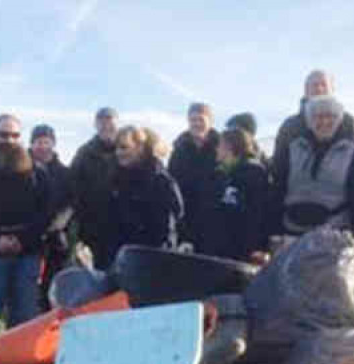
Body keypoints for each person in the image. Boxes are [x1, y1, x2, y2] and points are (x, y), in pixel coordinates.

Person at [0, 113, 51, 335]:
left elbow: (45, 214)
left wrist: (22, 240)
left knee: (25, 317)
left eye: (15, 135)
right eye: (4, 135)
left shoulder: (39, 174)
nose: (10, 140)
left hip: (28, 254)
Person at [272, 94, 354, 238]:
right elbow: (279, 184)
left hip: (334, 234)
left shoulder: (350, 148)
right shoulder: (295, 146)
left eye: (330, 116)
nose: (324, 122)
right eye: (318, 117)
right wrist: (274, 231)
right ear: (309, 121)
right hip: (291, 232)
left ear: (339, 120)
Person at [105, 125, 184, 266]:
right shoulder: (115, 179)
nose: (118, 152)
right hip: (120, 261)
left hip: (152, 264)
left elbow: (168, 228)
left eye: (124, 147)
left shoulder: (160, 181)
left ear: (140, 148)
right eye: (116, 148)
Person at [271, 69, 354, 189]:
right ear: (305, 90)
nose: (319, 89)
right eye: (314, 85)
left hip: (339, 204)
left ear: (332, 89)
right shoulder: (289, 127)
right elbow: (279, 172)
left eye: (323, 84)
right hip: (296, 203)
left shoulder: (350, 124)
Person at [193, 127, 270, 262]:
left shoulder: (254, 174)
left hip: (240, 254)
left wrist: (258, 247)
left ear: (230, 147)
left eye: (220, 145)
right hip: (213, 252)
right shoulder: (216, 176)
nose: (217, 149)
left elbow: (258, 215)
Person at [29, 123, 73, 307]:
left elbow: (72, 202)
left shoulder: (65, 173)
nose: (43, 147)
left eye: (47, 142)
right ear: (32, 144)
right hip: (28, 240)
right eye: (38, 142)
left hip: (56, 241)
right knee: (28, 293)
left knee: (53, 291)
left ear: (53, 144)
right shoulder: (21, 169)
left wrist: (60, 223)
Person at [70, 107, 119, 268]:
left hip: (124, 227)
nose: (106, 126)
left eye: (109, 121)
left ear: (116, 123)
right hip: (94, 229)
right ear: (95, 125)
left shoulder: (127, 148)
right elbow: (74, 187)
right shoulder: (84, 153)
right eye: (101, 122)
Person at [168, 102, 220, 247]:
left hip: (214, 220)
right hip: (186, 218)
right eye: (193, 120)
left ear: (210, 121)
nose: (196, 124)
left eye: (201, 120)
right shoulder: (178, 151)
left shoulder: (222, 148)